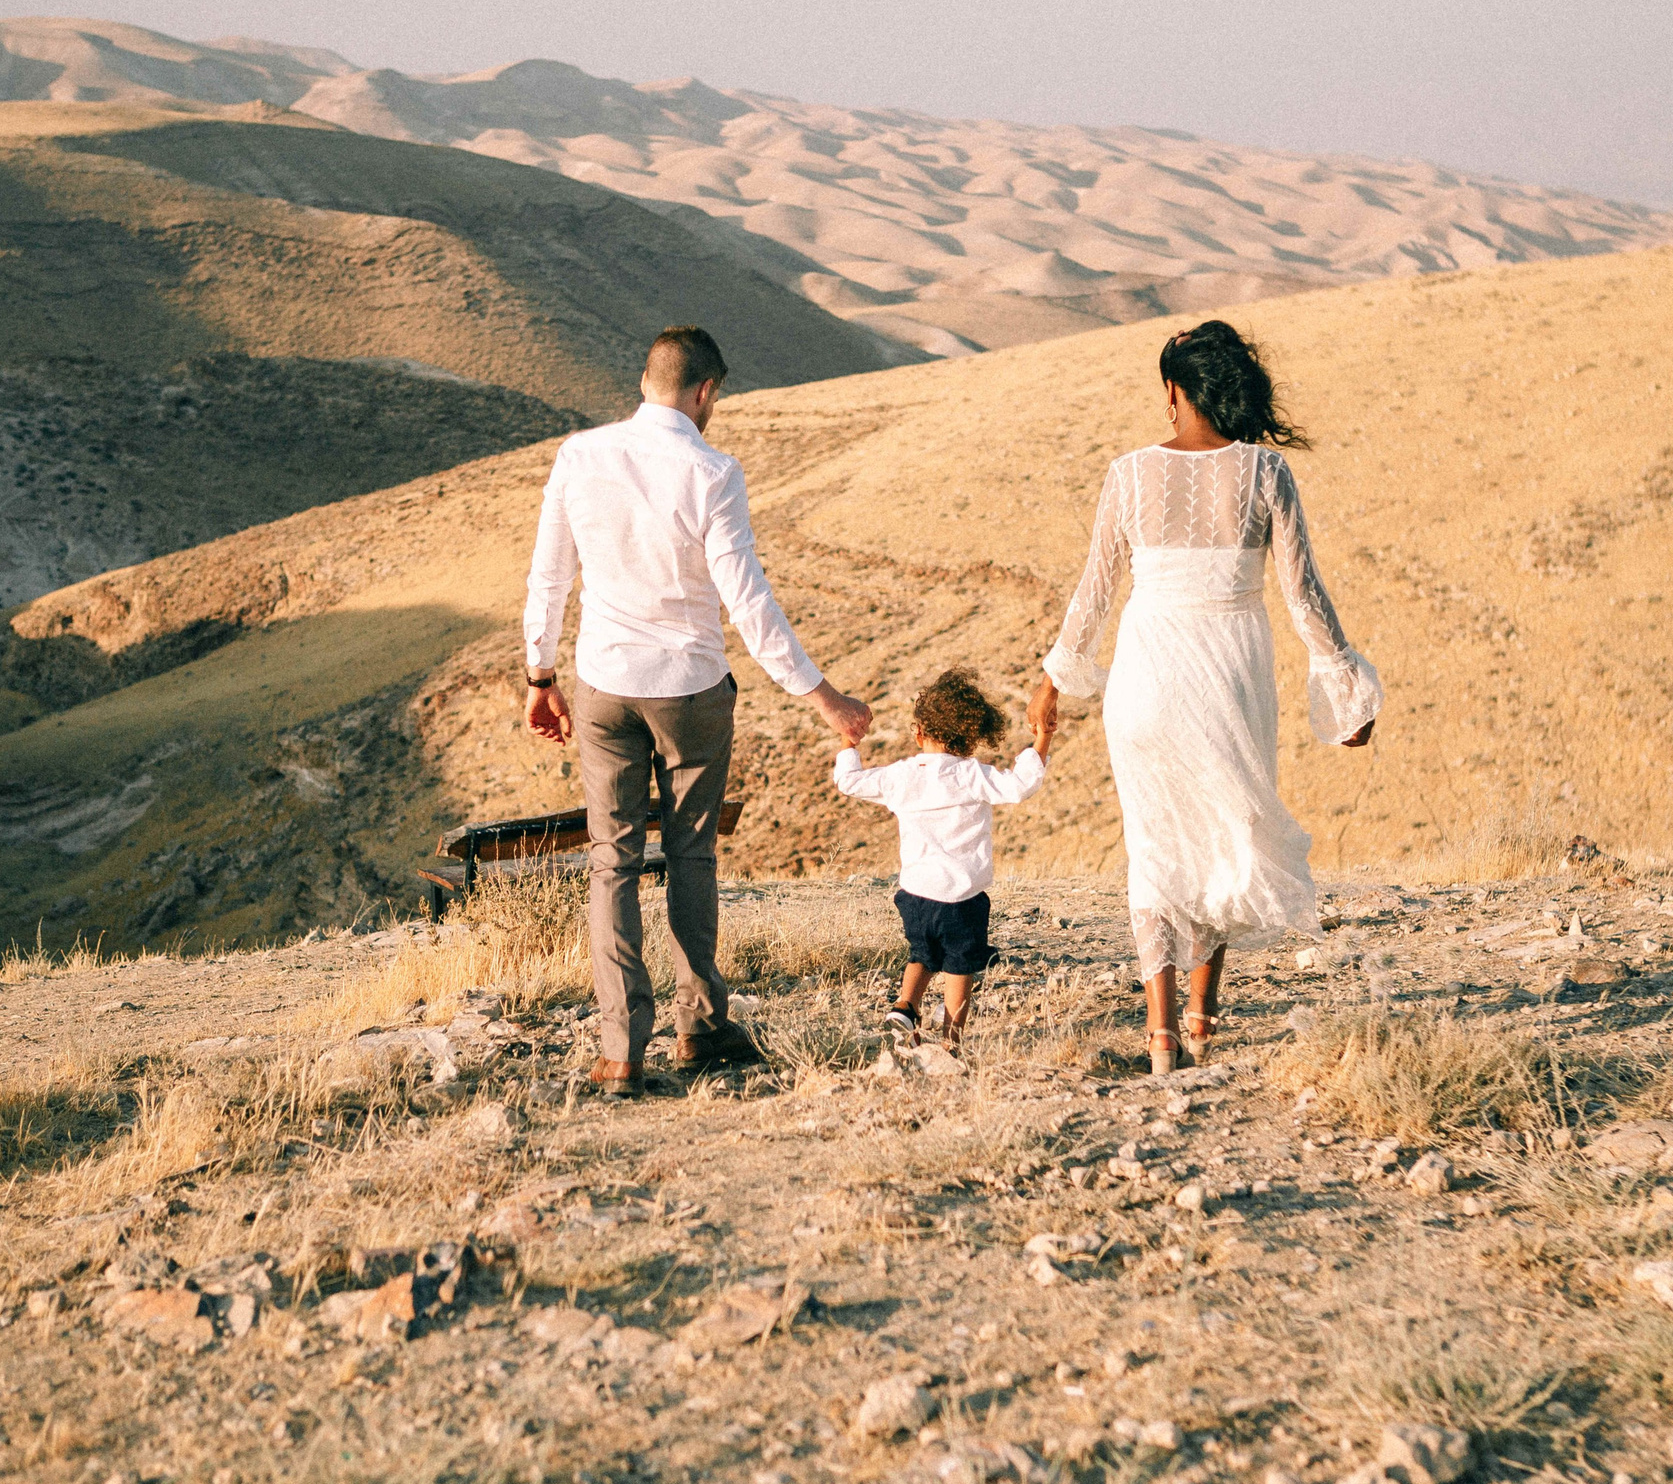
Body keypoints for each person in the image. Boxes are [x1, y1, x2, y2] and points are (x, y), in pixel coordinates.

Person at [522, 325, 872, 1097]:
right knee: (690, 854)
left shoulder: (579, 454)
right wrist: (822, 697)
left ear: (646, 380)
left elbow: (549, 573)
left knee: (610, 863)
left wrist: (539, 673)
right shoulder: (712, 471)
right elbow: (748, 603)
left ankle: (620, 1051)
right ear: (705, 392)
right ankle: (701, 1027)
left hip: (603, 684)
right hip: (687, 687)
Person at [1029, 321, 1380, 1075]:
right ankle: (1201, 1020)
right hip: (1228, 673)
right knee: (1222, 833)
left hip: (1147, 674)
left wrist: (1054, 681)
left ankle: (1159, 1041)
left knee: (1156, 846)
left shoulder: (1127, 474)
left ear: (1171, 394)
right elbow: (1304, 594)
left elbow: (1094, 592)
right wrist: (1345, 688)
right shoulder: (1265, 474)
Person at [832, 668, 1051, 1049]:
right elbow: (1020, 786)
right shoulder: (970, 775)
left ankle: (906, 1005)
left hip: (914, 895)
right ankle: (952, 1037)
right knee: (958, 968)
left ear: (919, 733)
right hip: (962, 897)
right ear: (971, 738)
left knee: (922, 954)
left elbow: (849, 781)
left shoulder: (901, 775)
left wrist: (848, 743)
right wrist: (1043, 740)